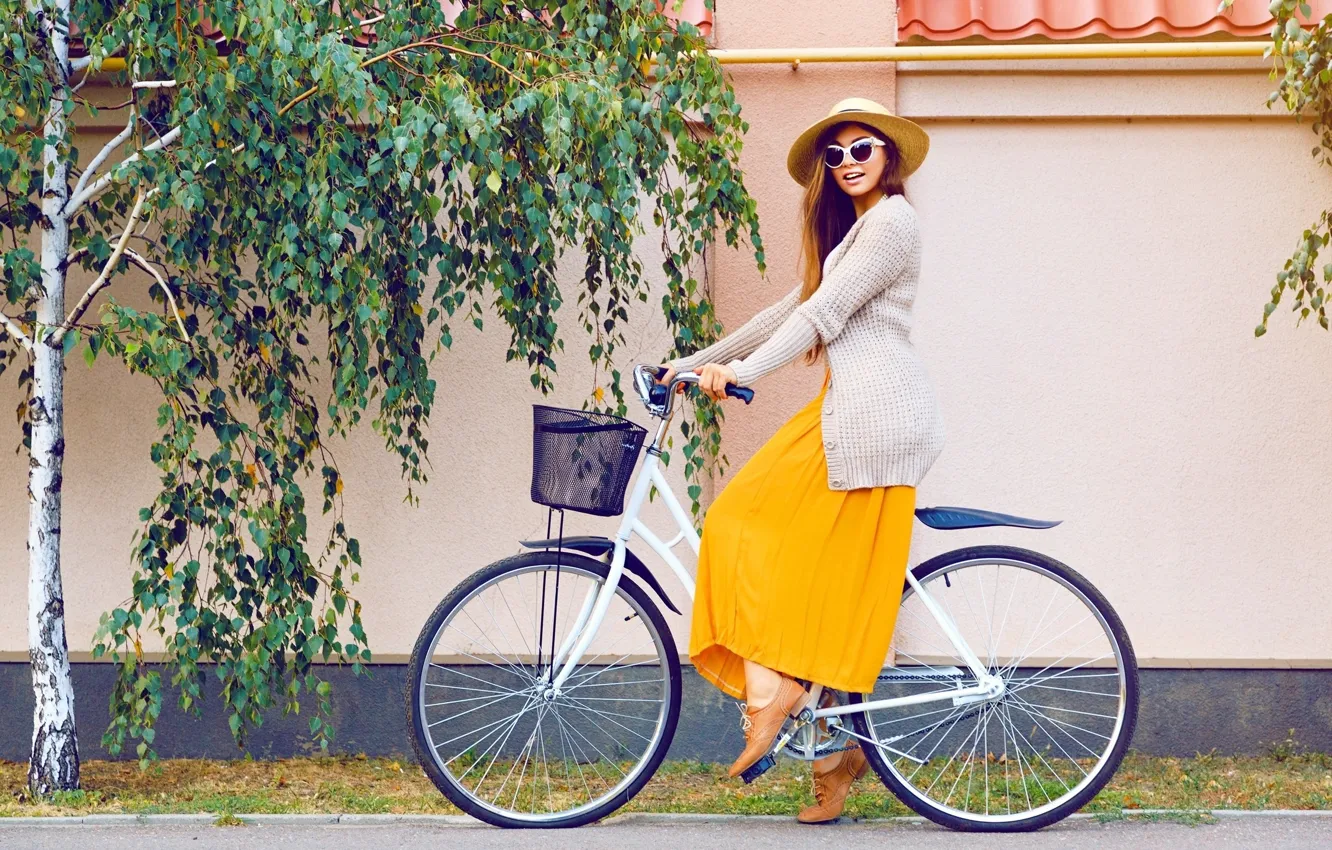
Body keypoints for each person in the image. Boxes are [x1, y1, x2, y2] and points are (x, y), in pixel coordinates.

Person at [655, 96, 945, 824]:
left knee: (733, 522)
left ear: (890, 159)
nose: (848, 162)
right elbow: (784, 311)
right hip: (847, 410)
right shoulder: (852, 234)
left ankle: (772, 695)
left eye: (863, 149)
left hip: (872, 419)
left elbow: (821, 318)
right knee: (795, 574)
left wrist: (743, 374)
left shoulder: (892, 223)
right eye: (835, 153)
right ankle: (830, 755)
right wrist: (692, 362)